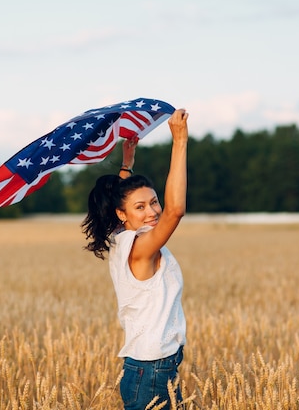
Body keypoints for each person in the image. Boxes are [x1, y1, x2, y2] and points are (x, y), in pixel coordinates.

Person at [81, 109, 189, 410]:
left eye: (154, 201)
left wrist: (127, 163)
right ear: (122, 215)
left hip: (149, 367)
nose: (152, 211)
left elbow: (124, 201)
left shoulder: (121, 236)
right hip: (152, 370)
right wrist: (179, 141)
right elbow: (175, 210)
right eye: (140, 207)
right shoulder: (142, 247)